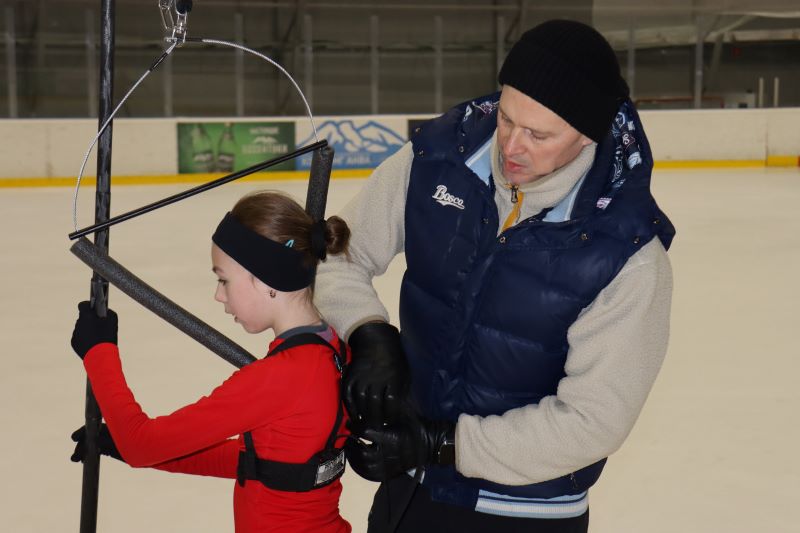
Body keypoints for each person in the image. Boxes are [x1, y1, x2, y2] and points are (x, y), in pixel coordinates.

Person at [314, 19, 676, 532]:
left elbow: (593, 421)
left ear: (588, 134)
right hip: (409, 491)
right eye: (507, 119)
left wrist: (444, 444)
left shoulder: (628, 257)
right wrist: (366, 332)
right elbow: (335, 252)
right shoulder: (437, 161)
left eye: (539, 134)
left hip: (525, 512)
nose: (512, 146)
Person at [69, 191, 353, 533]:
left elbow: (140, 444)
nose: (218, 294)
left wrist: (98, 350)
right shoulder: (331, 348)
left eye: (223, 279)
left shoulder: (281, 376)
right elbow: (260, 463)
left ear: (265, 279)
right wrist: (121, 444)